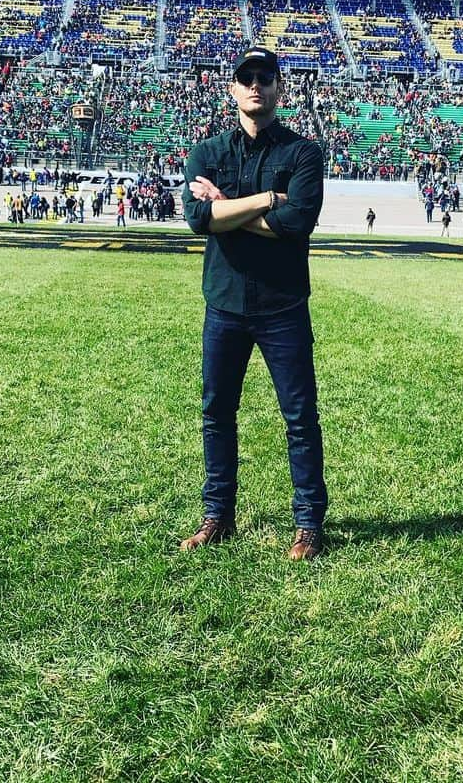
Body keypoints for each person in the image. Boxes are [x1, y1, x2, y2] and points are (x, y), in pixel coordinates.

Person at [181, 46, 327, 561]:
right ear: (233, 88)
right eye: (247, 78)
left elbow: (298, 224)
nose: (256, 86)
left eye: (266, 78)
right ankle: (217, 517)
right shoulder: (207, 151)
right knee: (217, 413)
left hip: (283, 306)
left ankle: (309, 524)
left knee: (300, 417)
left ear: (279, 89)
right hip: (224, 303)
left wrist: (226, 208)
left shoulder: (304, 153)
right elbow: (198, 220)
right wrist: (267, 200)